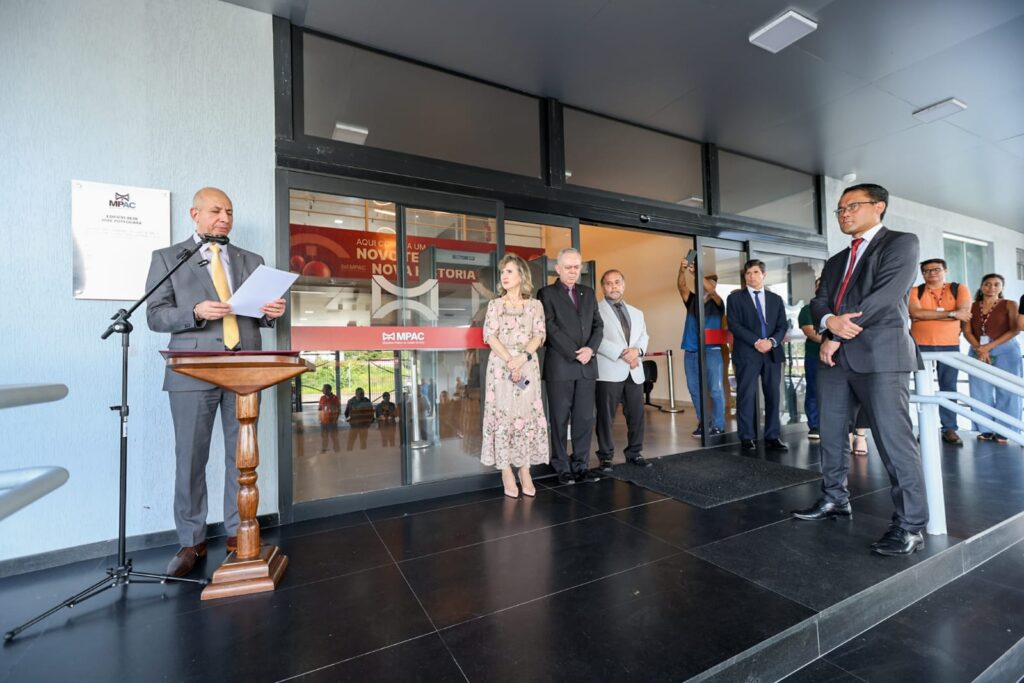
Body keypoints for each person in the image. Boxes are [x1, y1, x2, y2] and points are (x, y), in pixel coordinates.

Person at [146, 187, 287, 577]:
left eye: (229, 211)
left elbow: (259, 314)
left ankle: (238, 532)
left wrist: (271, 312)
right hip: (194, 370)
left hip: (245, 370)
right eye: (215, 211)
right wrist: (195, 311)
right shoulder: (168, 258)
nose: (224, 218)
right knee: (191, 458)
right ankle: (191, 540)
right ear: (195, 214)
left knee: (241, 457)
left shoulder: (251, 260)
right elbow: (155, 315)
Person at [793, 183, 928, 557]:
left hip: (880, 357)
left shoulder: (901, 243)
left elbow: (884, 298)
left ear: (879, 206)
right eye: (839, 209)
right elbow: (820, 300)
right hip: (835, 360)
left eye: (852, 206)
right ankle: (834, 499)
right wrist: (828, 322)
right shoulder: (837, 260)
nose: (844, 214)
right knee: (831, 435)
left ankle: (910, 525)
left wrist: (836, 333)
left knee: (894, 443)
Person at [480, 253, 549, 497]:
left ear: (522, 276)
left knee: (526, 413)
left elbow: (539, 335)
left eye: (509, 271)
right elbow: (490, 336)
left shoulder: (535, 305)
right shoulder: (495, 305)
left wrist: (522, 358)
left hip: (527, 364)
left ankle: (525, 469)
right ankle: (506, 469)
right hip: (501, 366)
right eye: (502, 272)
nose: (504, 276)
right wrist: (511, 361)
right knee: (503, 413)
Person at [537, 247, 604, 485]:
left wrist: (590, 350)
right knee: (559, 418)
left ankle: (581, 465)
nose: (573, 271)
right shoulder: (546, 293)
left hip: (587, 366)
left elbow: (598, 326)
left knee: (584, 418)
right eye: (568, 267)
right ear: (558, 268)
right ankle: (561, 465)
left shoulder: (588, 292)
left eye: (576, 267)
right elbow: (549, 327)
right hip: (561, 366)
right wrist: (575, 353)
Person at [726, 259, 789, 452]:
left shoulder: (775, 299)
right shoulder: (735, 299)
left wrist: (771, 342)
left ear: (764, 275)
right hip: (747, 353)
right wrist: (756, 341)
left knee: (773, 395)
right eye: (748, 273)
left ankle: (772, 436)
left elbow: (782, 325)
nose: (751, 276)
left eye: (755, 272)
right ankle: (747, 437)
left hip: (772, 352)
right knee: (746, 395)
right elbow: (734, 325)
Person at [909, 258, 972, 445]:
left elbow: (964, 312)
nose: (931, 273)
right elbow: (916, 314)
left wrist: (929, 315)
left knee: (949, 387)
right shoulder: (915, 291)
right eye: (926, 271)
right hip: (920, 346)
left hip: (949, 346)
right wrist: (951, 314)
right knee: (923, 389)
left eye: (936, 269)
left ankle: (949, 428)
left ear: (945, 270)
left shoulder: (959, 289)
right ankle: (925, 428)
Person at [595, 269, 652, 471]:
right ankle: (605, 456)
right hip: (608, 371)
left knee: (636, 415)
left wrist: (638, 352)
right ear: (603, 288)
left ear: (623, 285)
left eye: (617, 282)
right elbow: (596, 338)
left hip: (634, 371)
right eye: (608, 283)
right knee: (605, 417)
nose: (613, 286)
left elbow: (644, 336)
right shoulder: (595, 311)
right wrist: (622, 353)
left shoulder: (637, 313)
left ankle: (634, 453)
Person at [963, 274, 1021, 444]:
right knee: (979, 390)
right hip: (977, 350)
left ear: (1002, 287)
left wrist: (988, 347)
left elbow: (1015, 329)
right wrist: (979, 348)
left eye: (996, 284)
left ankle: (1006, 430)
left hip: (1006, 350)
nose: (991, 288)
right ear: (981, 286)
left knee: (1008, 390)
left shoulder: (1010, 304)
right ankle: (985, 429)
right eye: (987, 284)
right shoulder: (971, 306)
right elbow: (967, 331)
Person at [677, 258, 726, 437]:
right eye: (705, 283)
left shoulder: (718, 303)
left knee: (715, 389)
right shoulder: (692, 300)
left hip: (712, 351)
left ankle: (718, 424)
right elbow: (681, 286)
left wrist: (696, 272)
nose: (707, 287)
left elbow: (712, 291)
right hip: (691, 351)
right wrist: (682, 270)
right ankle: (704, 422)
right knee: (694, 389)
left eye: (710, 284)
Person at [797, 278, 823, 440]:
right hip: (814, 356)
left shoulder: (838, 308)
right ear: (815, 288)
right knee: (814, 389)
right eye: (819, 285)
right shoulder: (807, 309)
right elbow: (810, 332)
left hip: (840, 357)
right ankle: (814, 426)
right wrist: (834, 341)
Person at [318, 384, 341, 452]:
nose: (322, 390)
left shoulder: (335, 398)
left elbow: (338, 410)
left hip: (332, 422)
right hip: (323, 422)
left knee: (334, 436)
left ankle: (336, 448)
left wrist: (335, 420)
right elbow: (320, 408)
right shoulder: (322, 398)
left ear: (328, 390)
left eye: (324, 389)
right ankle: (324, 448)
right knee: (324, 436)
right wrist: (320, 418)